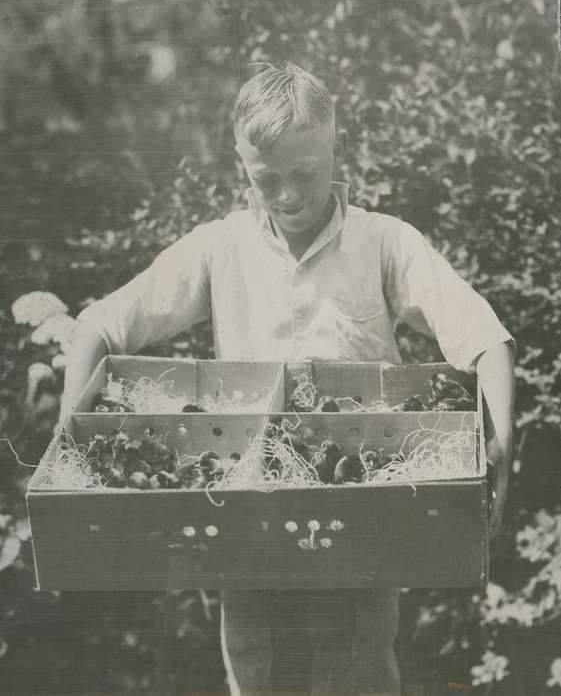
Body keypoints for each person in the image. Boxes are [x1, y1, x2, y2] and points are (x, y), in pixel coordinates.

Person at [61, 63, 515, 695]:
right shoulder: (219, 247)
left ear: (337, 148)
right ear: (240, 162)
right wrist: (67, 444)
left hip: (360, 517)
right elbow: (100, 327)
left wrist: (503, 442)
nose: (288, 194)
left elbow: (484, 337)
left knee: (359, 669)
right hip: (247, 526)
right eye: (265, 178)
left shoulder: (382, 243)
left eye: (305, 172)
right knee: (258, 671)